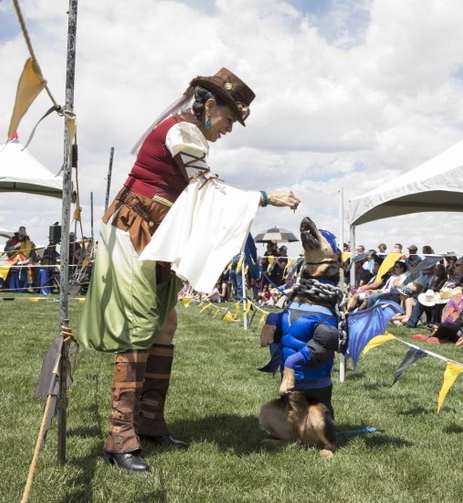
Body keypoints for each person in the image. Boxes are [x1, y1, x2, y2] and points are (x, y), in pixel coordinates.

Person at [78, 68, 300, 474]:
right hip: (134, 230)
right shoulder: (183, 132)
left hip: (156, 235)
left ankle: (149, 422)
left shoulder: (189, 132)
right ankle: (119, 435)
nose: (230, 129)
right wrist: (265, 196)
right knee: (139, 326)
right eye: (230, 119)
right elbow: (206, 189)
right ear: (210, 106)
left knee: (165, 325)